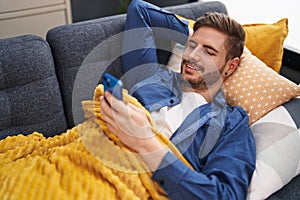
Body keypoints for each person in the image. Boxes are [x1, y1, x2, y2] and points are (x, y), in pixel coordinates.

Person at [100, 0, 256, 199]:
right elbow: (139, 10)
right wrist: (192, 33)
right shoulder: (153, 77)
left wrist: (145, 143)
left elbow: (225, 195)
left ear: (231, 67)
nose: (192, 56)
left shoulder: (231, 124)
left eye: (208, 52)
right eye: (191, 47)